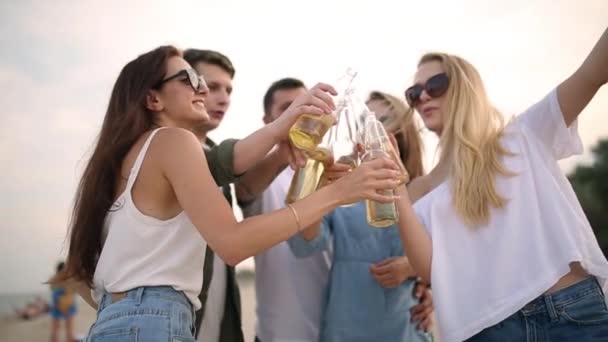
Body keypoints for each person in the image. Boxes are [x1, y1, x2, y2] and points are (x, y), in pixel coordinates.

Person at [53, 46, 401, 341]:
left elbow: (80, 273)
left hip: (115, 321)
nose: (203, 90)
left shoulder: (124, 157)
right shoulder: (173, 141)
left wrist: (128, 308)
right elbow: (233, 244)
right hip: (154, 319)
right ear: (152, 98)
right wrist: (340, 192)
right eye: (190, 79)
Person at [396, 28, 608, 341]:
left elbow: (592, 74)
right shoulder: (419, 189)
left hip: (567, 311)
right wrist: (394, 186)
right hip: (485, 331)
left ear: (465, 87)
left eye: (435, 85)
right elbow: (430, 270)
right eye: (414, 93)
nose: (423, 96)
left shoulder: (522, 135)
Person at [287, 91, 434, 342]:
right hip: (346, 326)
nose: (370, 128)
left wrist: (413, 269)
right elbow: (306, 245)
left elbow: (450, 254)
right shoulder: (345, 188)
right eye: (362, 122)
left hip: (404, 327)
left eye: (382, 120)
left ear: (403, 131)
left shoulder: (424, 190)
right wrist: (316, 190)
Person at [241, 78, 331, 342]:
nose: (299, 112)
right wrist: (283, 151)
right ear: (267, 120)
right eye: (287, 107)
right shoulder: (260, 175)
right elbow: (245, 189)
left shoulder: (332, 170)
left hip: (338, 329)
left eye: (306, 104)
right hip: (278, 334)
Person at [50, 261, 77, 342]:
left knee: (56, 328)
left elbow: (52, 289)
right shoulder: (68, 279)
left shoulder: (54, 279)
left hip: (58, 304)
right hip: (67, 304)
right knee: (68, 328)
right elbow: (72, 292)